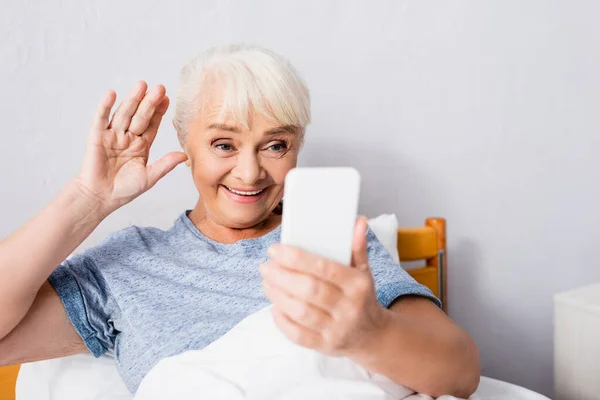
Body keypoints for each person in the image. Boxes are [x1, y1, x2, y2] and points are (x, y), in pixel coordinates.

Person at [0, 44, 479, 397]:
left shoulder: (335, 247)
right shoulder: (130, 265)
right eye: (224, 144)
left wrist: (368, 333)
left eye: (276, 145)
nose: (250, 173)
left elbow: (460, 370)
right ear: (185, 144)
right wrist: (86, 200)